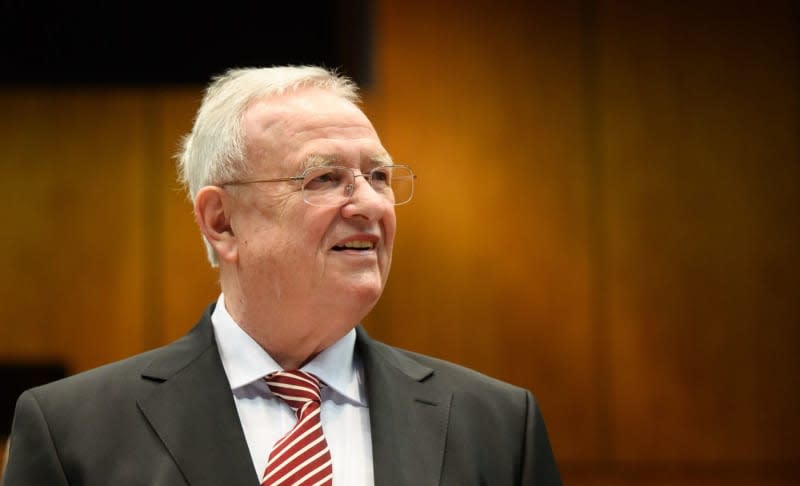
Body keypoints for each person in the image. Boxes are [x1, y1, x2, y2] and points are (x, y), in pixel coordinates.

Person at [2, 66, 561, 485]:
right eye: (323, 178)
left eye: (378, 175)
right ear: (221, 222)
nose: (368, 203)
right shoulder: (72, 433)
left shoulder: (497, 426)